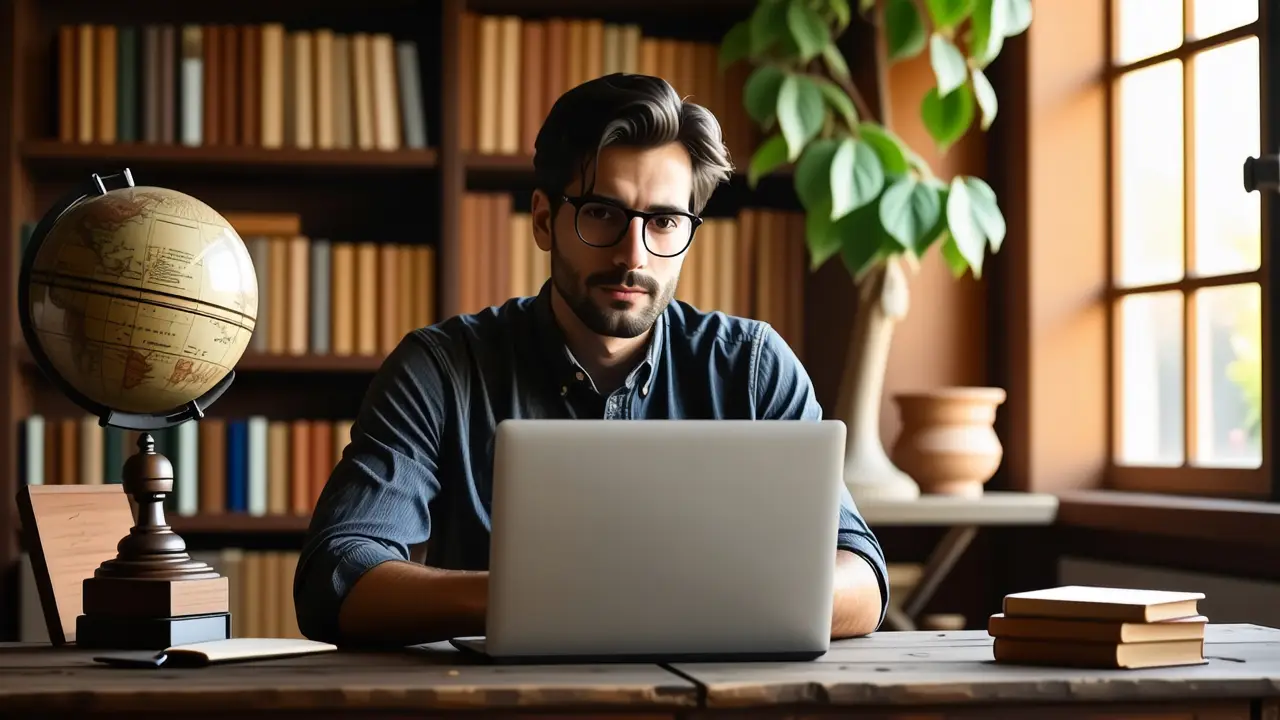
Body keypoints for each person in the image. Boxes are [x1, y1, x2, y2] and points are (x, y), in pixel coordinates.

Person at [293, 73, 890, 647]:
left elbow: (862, 579)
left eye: (663, 222)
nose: (634, 255)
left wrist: (653, 601)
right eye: (602, 213)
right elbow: (335, 577)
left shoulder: (755, 368)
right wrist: (542, 600)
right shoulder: (442, 369)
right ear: (545, 220)